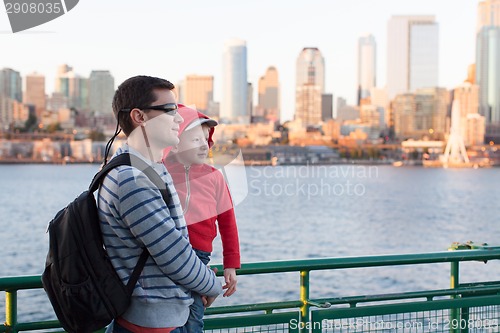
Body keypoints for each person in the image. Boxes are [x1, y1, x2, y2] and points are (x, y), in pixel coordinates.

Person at [97, 76, 223, 333]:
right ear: (139, 117)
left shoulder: (148, 167)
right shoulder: (131, 179)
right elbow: (174, 255)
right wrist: (211, 284)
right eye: (170, 110)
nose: (179, 118)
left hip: (161, 320)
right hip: (147, 324)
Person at [163, 105, 241, 333]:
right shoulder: (162, 171)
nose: (204, 145)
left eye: (206, 140)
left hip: (199, 256)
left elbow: (228, 223)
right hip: (168, 254)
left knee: (194, 315)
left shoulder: (214, 177)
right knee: (169, 317)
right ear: (176, 141)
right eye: (196, 139)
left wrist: (231, 265)